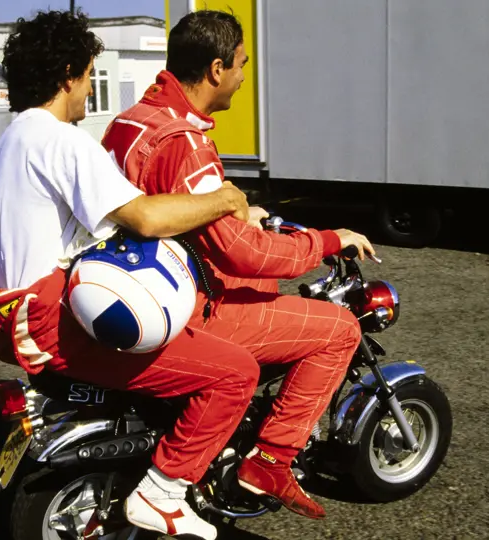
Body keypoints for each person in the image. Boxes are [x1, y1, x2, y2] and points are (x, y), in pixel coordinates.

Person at [0, 11, 259, 540]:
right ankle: (163, 493)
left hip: (20, 322)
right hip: (60, 326)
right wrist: (224, 198)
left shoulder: (14, 137)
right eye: (89, 76)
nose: (88, 91)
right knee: (234, 371)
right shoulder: (62, 140)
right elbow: (145, 214)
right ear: (70, 75)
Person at [101, 10, 375, 521]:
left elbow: (170, 205)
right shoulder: (185, 142)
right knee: (338, 328)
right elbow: (243, 252)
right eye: (243, 63)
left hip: (130, 282)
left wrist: (243, 212)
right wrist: (327, 240)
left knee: (266, 285)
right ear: (216, 68)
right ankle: (270, 460)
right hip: (186, 305)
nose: (245, 75)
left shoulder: (132, 121)